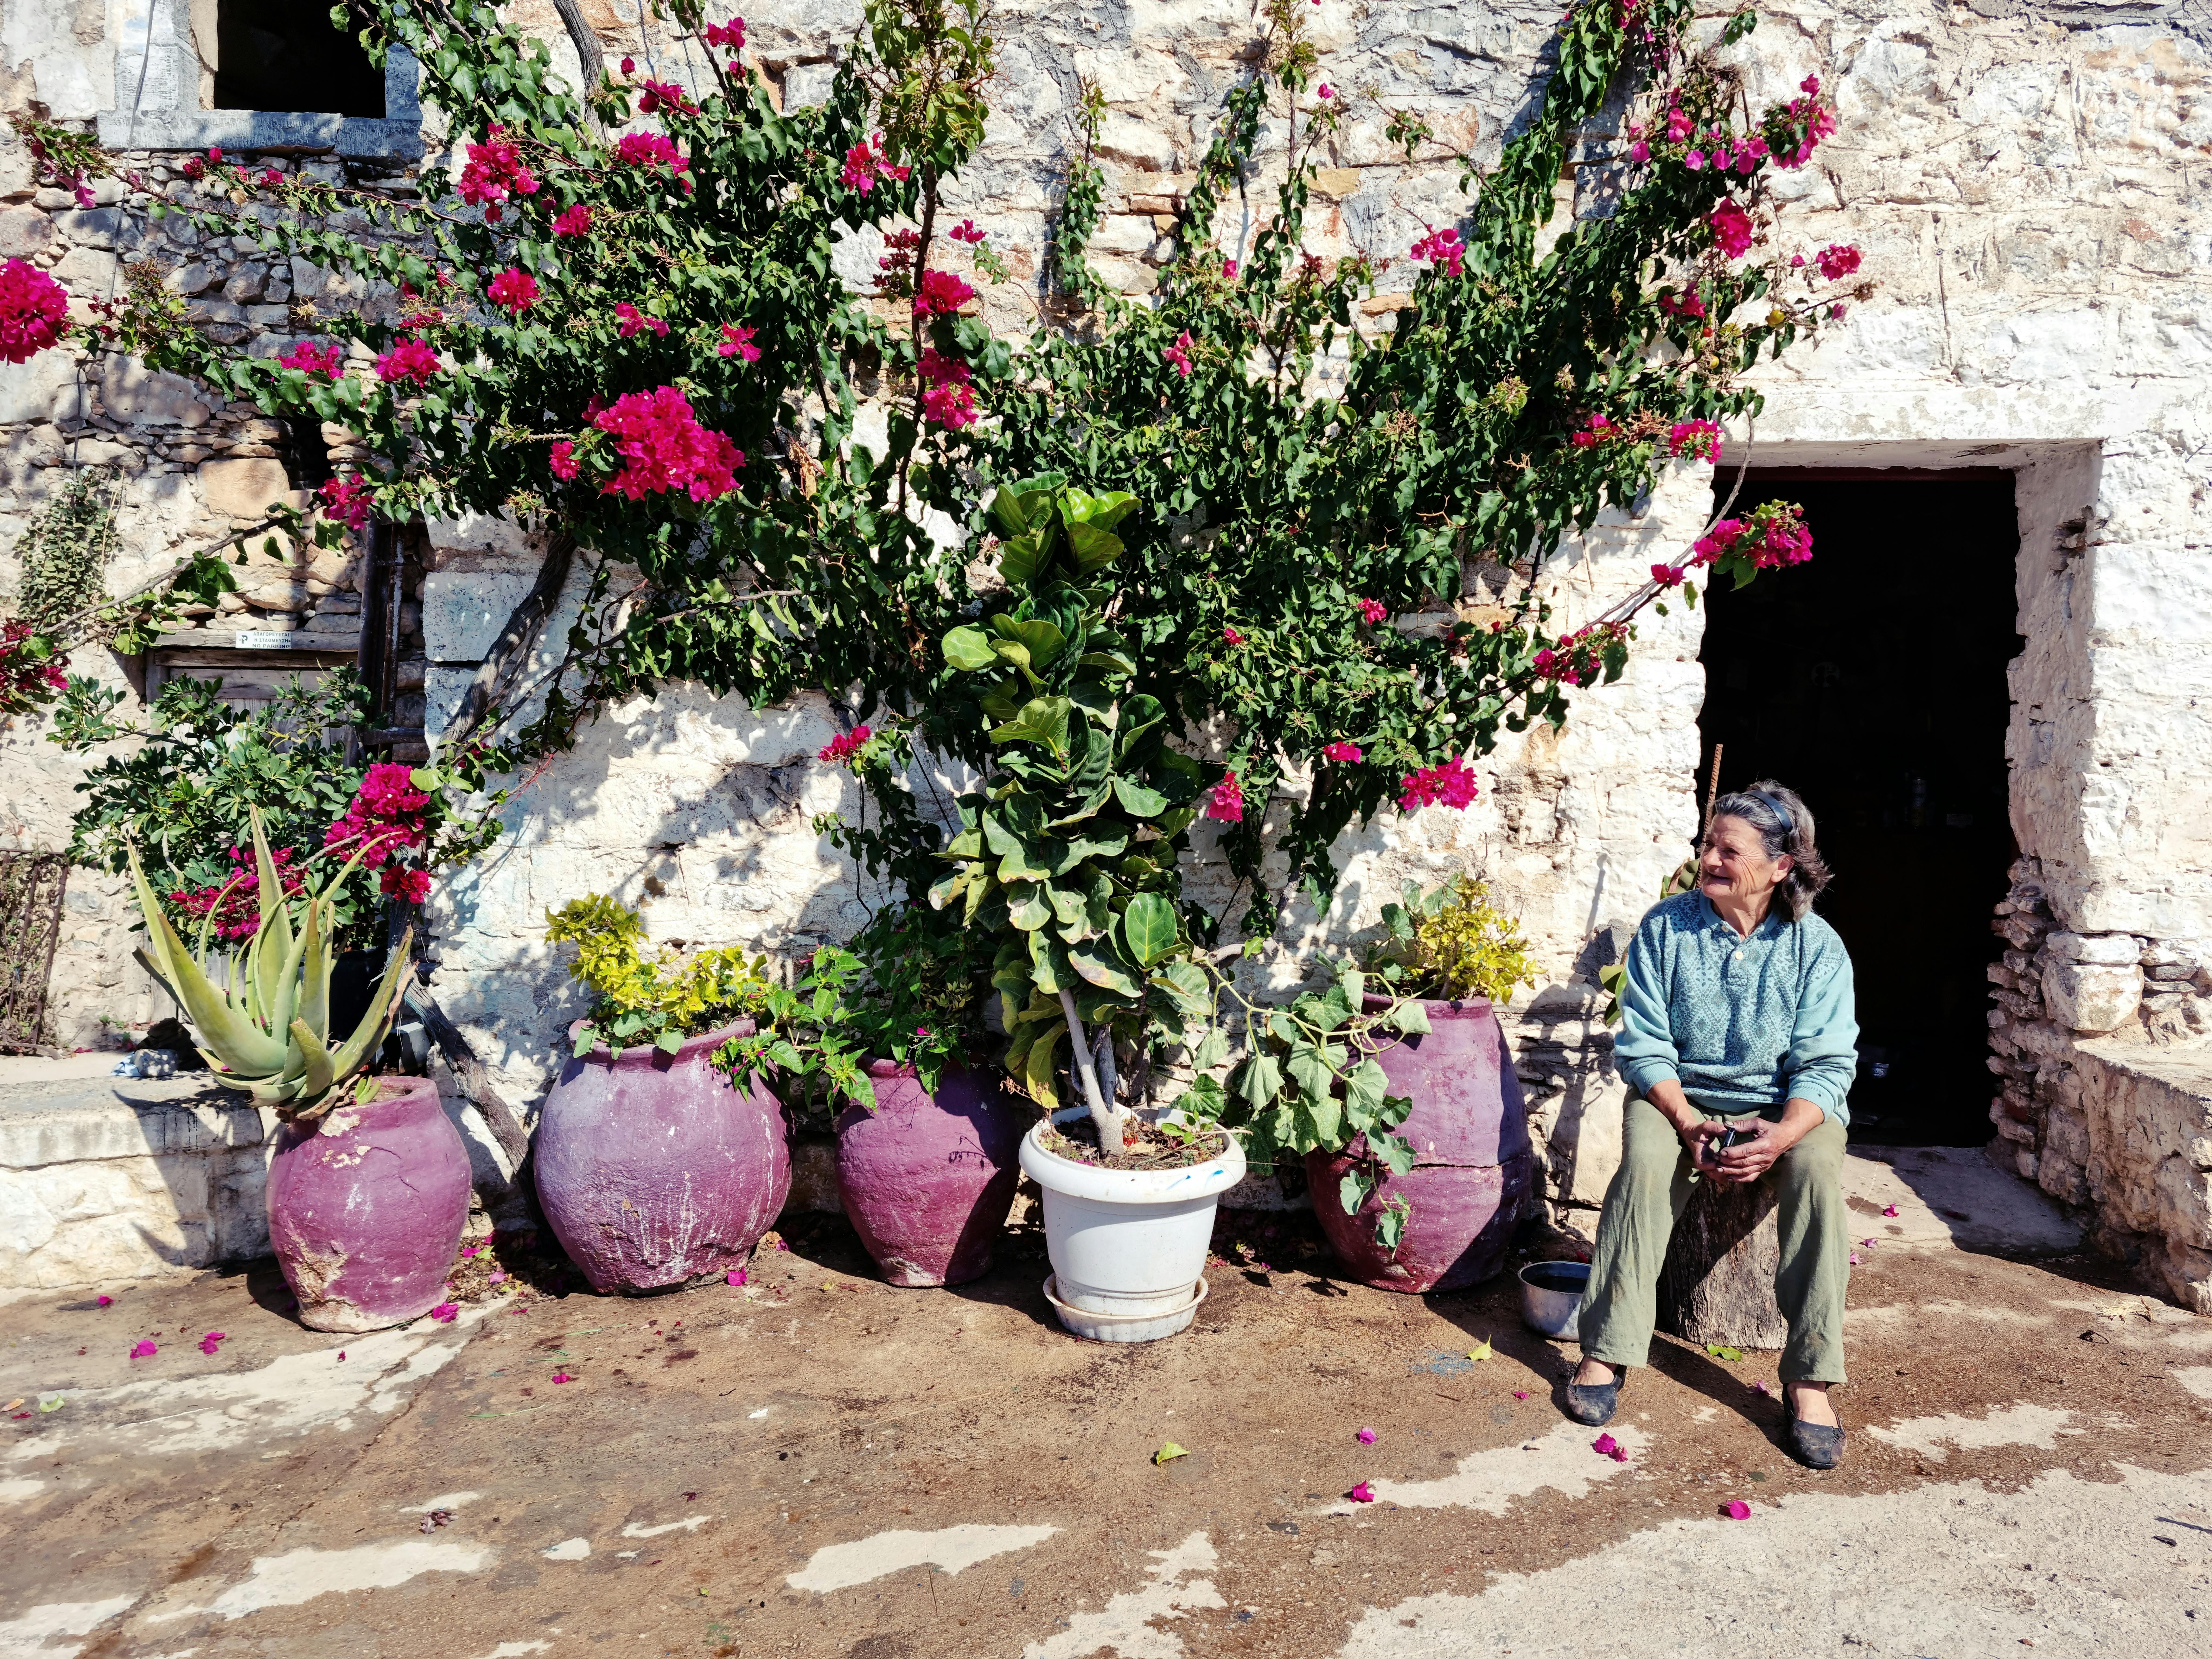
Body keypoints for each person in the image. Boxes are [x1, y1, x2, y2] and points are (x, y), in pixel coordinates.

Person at [1564, 780, 1859, 1469]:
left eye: (1729, 849)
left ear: (1781, 865)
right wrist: (1686, 1119)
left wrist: (1784, 1135)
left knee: (1817, 1169)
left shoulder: (1816, 948)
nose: (1710, 859)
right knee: (1641, 1166)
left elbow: (1825, 1062)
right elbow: (1644, 1046)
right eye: (1708, 845)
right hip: (1678, 1098)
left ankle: (1809, 1376)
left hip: (1784, 1105)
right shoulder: (1667, 927)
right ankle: (1607, 1349)